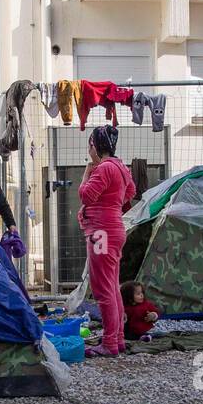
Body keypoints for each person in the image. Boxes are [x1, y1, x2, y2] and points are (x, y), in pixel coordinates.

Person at [78, 125, 135, 358]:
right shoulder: (121, 167)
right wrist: (112, 204)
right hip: (115, 229)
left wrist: (87, 171)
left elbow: (85, 194)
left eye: (89, 144)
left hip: (101, 232)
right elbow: (130, 192)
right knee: (112, 286)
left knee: (102, 289)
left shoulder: (103, 169)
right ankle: (118, 338)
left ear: (94, 145)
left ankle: (110, 343)